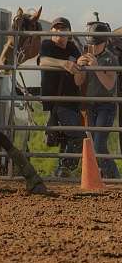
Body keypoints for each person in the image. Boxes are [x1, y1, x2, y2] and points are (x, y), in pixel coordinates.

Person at [38, 17, 83, 177]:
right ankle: (64, 169)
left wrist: (81, 65)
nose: (59, 32)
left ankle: (60, 171)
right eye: (56, 29)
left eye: (63, 29)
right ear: (51, 32)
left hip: (71, 98)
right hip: (58, 99)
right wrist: (64, 64)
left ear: (69, 33)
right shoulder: (47, 45)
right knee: (78, 136)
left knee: (66, 139)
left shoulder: (72, 47)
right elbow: (43, 62)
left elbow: (79, 69)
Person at [76, 20, 119, 179]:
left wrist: (95, 67)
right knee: (94, 144)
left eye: (96, 44)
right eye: (90, 44)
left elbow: (109, 85)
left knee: (99, 145)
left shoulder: (110, 59)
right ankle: (104, 177)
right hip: (91, 105)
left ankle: (114, 177)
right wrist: (78, 68)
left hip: (106, 105)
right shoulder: (87, 57)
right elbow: (78, 82)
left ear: (104, 43)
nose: (92, 47)